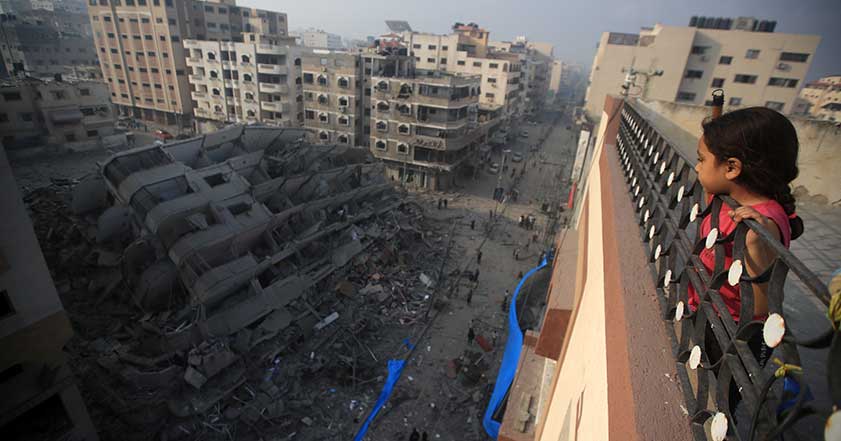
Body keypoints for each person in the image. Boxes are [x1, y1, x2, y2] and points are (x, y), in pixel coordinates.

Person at [690, 107, 803, 417]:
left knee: (712, 405)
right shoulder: (728, 196)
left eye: (701, 160)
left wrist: (759, 234)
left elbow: (761, 309)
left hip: (731, 339)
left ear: (732, 168)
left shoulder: (759, 227)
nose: (697, 168)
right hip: (707, 314)